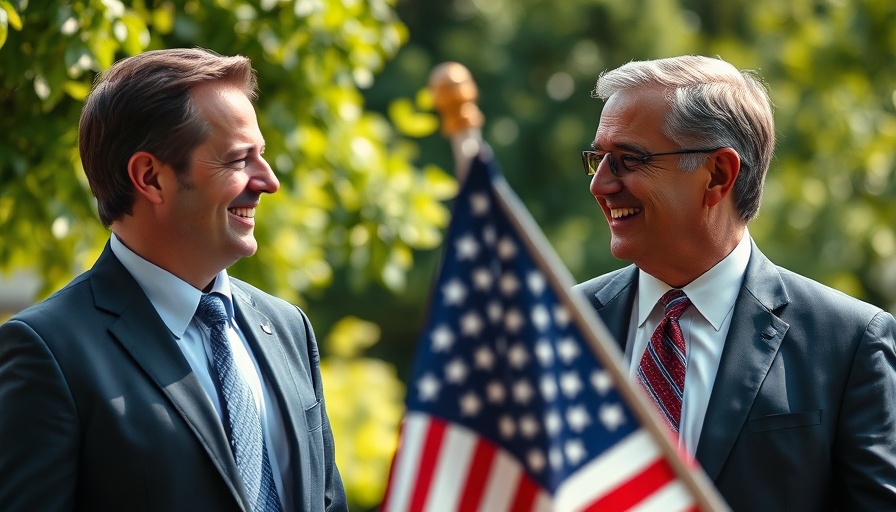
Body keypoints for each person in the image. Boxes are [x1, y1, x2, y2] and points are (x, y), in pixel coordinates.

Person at [0, 48, 346, 512]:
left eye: (261, 156)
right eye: (239, 160)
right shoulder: (49, 352)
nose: (268, 181)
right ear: (150, 177)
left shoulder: (288, 329)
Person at [574, 55, 896, 510]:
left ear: (719, 175)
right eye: (597, 159)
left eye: (628, 160)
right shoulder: (560, 324)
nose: (601, 184)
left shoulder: (849, 344)